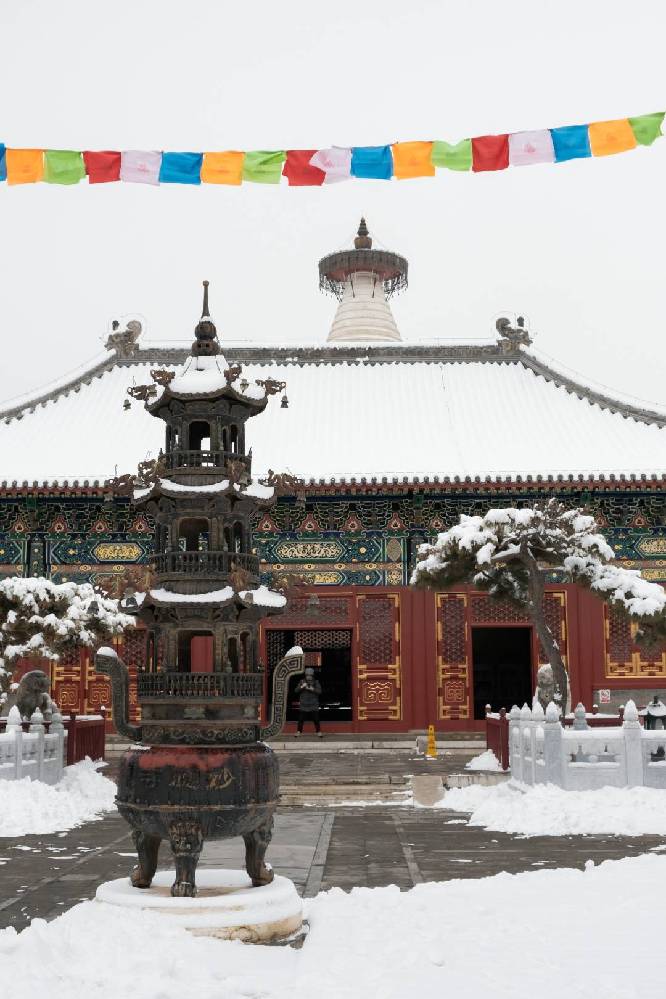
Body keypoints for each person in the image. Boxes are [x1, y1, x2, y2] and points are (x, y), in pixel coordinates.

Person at [295, 667, 323, 738]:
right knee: (301, 720)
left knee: (316, 719)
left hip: (313, 704)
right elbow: (296, 691)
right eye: (307, 675)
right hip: (304, 704)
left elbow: (320, 691)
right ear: (305, 675)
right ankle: (298, 732)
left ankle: (318, 732)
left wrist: (312, 689)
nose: (309, 677)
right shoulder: (302, 681)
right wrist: (302, 687)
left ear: (312, 675)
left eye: (310, 675)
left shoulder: (316, 682)